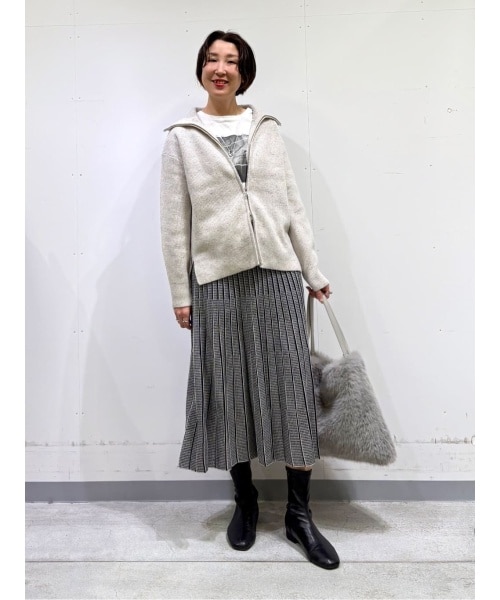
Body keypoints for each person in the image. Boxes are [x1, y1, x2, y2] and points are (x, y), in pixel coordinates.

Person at [160, 30, 339, 570]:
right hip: (216, 280)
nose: (221, 68)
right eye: (212, 59)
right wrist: (180, 292)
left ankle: (300, 516)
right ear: (201, 68)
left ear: (244, 71)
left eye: (231, 61)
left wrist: (312, 270)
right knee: (229, 390)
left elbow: (291, 205)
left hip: (278, 275)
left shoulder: (267, 129)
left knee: (293, 393)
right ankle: (246, 501)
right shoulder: (182, 137)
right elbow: (174, 223)